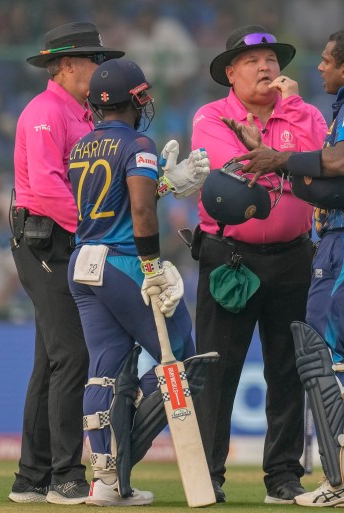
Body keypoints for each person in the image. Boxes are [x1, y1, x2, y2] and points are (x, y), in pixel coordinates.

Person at [235, 30, 344, 508]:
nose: (320, 68)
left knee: (320, 355)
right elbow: (334, 184)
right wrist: (282, 168)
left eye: (327, 61)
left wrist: (279, 157)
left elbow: (342, 162)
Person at [190, 25, 327, 505]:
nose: (266, 67)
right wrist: (292, 166)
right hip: (230, 258)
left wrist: (289, 127)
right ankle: (208, 473)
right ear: (230, 72)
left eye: (272, 59)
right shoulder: (211, 117)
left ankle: (284, 476)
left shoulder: (304, 113)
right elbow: (240, 177)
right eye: (252, 61)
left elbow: (327, 165)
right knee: (217, 369)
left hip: (293, 256)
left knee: (289, 369)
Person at [66, 58, 212, 506]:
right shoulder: (139, 143)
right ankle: (125, 440)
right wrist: (151, 266)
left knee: (104, 370)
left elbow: (118, 201)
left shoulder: (81, 147)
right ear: (136, 99)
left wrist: (164, 181)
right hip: (124, 263)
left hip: (84, 264)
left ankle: (105, 481)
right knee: (185, 355)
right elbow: (142, 212)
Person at [8, 22, 123, 505]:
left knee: (50, 361)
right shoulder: (45, 112)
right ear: (68, 65)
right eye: (94, 61)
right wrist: (95, 230)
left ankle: (30, 478)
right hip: (46, 240)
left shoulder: (78, 113)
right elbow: (51, 186)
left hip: (65, 239)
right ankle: (65, 476)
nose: (100, 70)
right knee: (71, 356)